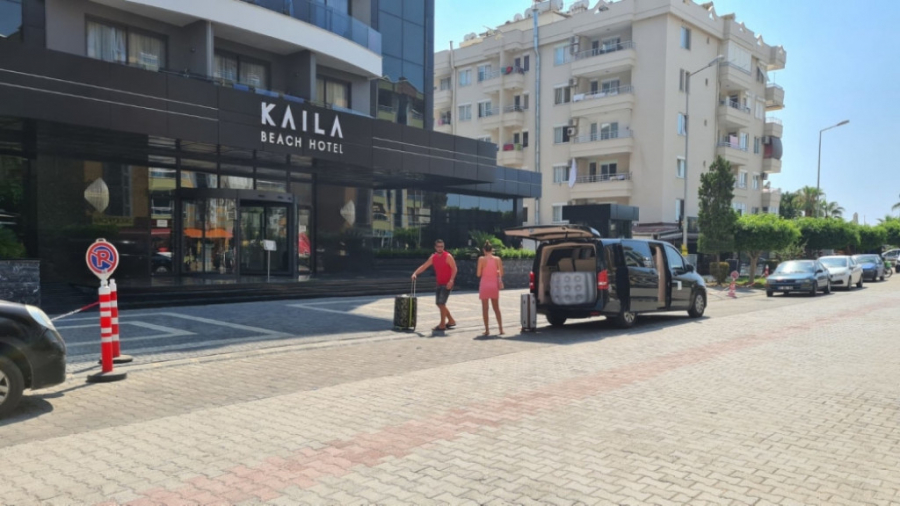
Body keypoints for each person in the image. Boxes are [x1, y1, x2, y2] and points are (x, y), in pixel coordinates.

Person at [412, 239, 458, 331]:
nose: (440, 248)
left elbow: (454, 269)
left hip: (447, 283)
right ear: (435, 247)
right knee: (439, 303)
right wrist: (415, 273)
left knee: (441, 303)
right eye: (438, 246)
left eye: (442, 246)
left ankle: (442, 325)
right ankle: (451, 321)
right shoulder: (433, 257)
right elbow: (424, 266)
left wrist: (451, 280)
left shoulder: (448, 256)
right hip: (439, 283)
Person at [476, 242, 504, 336]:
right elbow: (501, 273)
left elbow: (478, 274)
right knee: (496, 308)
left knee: (485, 308)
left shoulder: (481, 259)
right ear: (492, 250)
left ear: (484, 250)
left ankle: (487, 330)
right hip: (494, 285)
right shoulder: (497, 259)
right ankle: (501, 329)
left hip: (484, 285)